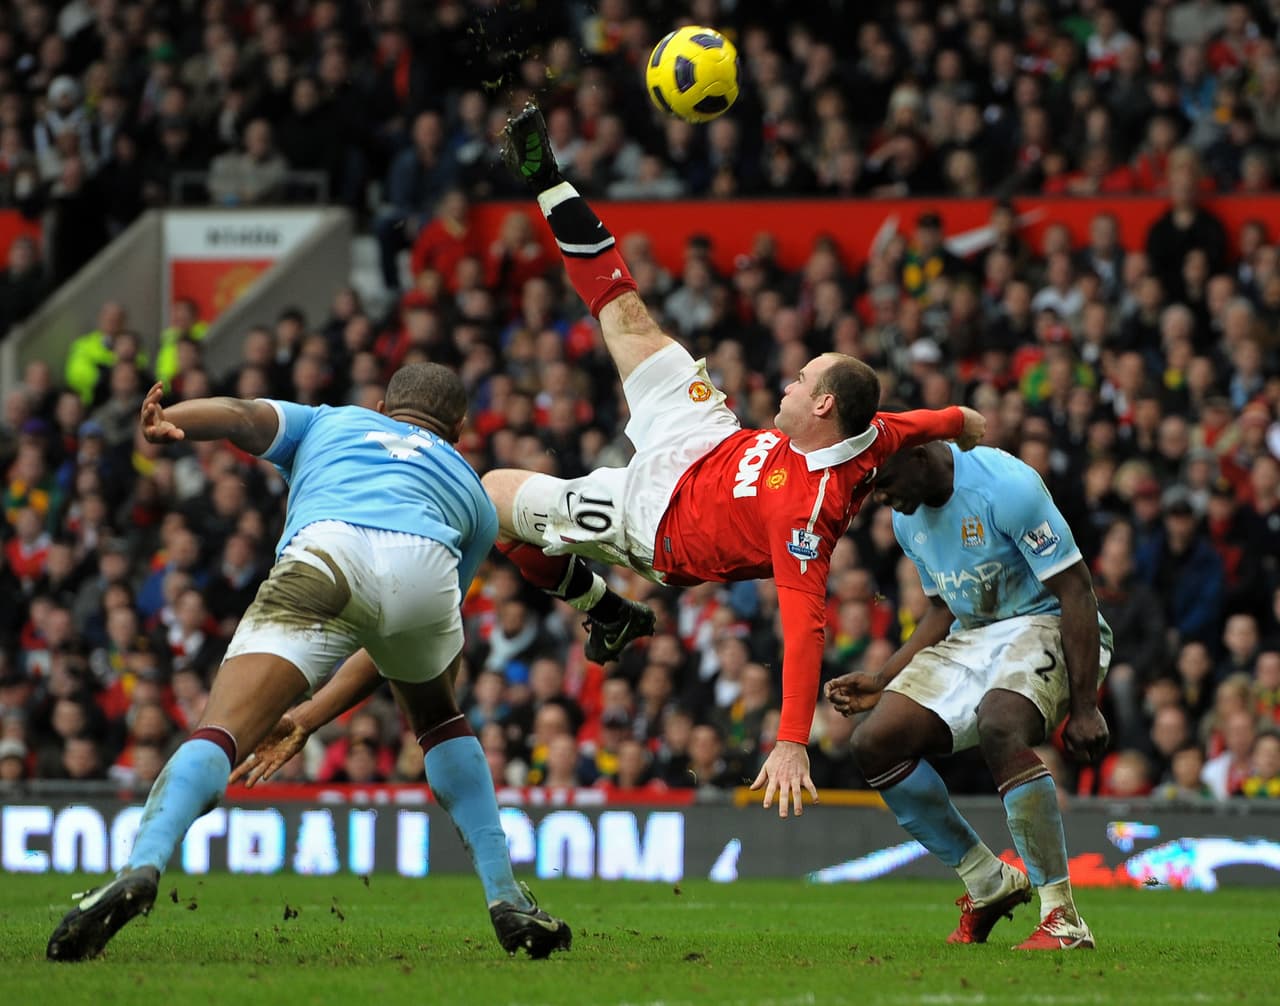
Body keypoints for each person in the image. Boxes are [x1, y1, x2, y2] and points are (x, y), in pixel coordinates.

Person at [488, 103, 986, 819]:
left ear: (822, 407)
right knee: (626, 314)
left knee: (493, 497)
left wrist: (791, 741)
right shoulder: (869, 430)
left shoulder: (805, 515)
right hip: (706, 436)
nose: (788, 380)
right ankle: (549, 179)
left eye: (801, 379)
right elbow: (933, 421)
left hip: (658, 521)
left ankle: (605, 610)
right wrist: (967, 425)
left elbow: (804, 627)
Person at [47, 363, 571, 962]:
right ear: (460, 429)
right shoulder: (473, 493)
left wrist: (171, 420)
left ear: (381, 407)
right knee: (439, 719)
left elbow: (241, 416)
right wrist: (308, 718)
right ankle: (505, 896)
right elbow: (392, 640)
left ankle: (142, 866)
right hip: (425, 570)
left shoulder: (332, 421)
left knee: (222, 731)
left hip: (328, 551)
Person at [826, 441, 1112, 950]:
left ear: (918, 458)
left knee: (999, 724)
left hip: (1046, 622)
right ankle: (987, 880)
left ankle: (1062, 916)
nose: (880, 497)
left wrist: (1086, 705)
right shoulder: (906, 519)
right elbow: (943, 609)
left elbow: (1076, 590)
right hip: (975, 635)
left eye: (884, 483)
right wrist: (884, 677)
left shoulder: (1006, 487)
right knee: (875, 742)